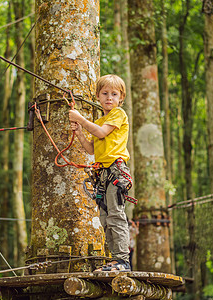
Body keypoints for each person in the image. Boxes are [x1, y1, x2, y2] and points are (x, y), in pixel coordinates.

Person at [69, 74, 132, 272]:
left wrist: (81, 118)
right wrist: (79, 132)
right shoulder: (101, 120)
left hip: (116, 170)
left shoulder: (118, 114)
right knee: (105, 217)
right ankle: (115, 259)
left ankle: (123, 260)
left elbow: (101, 132)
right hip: (103, 173)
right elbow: (91, 149)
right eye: (105, 94)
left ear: (121, 98)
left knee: (115, 215)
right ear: (97, 96)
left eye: (114, 94)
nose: (109, 98)